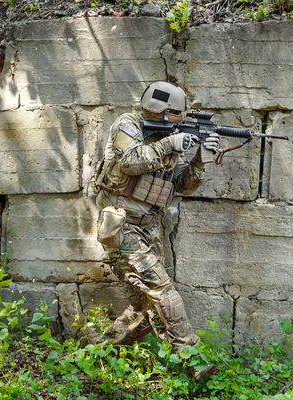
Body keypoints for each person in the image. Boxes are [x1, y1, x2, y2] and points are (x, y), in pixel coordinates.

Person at [92, 81, 220, 366]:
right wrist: (169, 144)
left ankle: (102, 352)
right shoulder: (129, 125)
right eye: (177, 114)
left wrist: (201, 159)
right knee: (162, 289)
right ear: (162, 110)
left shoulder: (172, 135)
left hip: (150, 226)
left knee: (147, 303)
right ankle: (191, 356)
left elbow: (182, 186)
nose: (181, 121)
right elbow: (128, 162)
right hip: (121, 222)